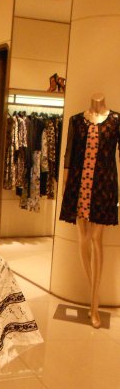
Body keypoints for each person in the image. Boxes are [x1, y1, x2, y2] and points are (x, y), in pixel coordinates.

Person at [60, 93, 119, 328]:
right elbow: (69, 153)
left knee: (96, 239)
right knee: (83, 240)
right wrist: (65, 185)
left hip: (104, 186)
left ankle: (94, 305)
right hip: (79, 184)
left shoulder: (116, 121)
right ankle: (93, 295)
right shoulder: (76, 121)